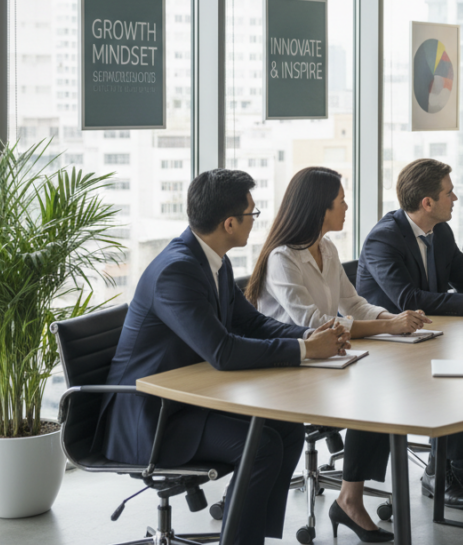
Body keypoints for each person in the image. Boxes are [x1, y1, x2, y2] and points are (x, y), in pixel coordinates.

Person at [99, 169, 350, 545]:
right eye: (252, 214)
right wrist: (304, 350)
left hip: (187, 401)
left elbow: (253, 323)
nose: (255, 220)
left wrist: (309, 336)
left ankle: (244, 534)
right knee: (262, 445)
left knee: (285, 427)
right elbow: (223, 351)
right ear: (229, 223)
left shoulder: (214, 261)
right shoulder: (177, 271)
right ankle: (239, 538)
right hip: (151, 419)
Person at [246, 166, 431, 542]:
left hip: (327, 359)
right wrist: (388, 327)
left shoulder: (326, 248)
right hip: (288, 366)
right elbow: (314, 323)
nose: (347, 207)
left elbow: (353, 304)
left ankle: (350, 497)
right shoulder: (283, 257)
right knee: (372, 397)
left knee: (384, 391)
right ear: (320, 209)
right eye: (341, 201)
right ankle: (350, 499)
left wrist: (394, 318)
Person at [356, 158, 463, 509]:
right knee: (456, 379)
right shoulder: (383, 239)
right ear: (427, 203)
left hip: (427, 337)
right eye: (449, 193)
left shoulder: (441, 232)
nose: (456, 199)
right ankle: (437, 473)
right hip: (386, 347)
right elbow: (409, 300)